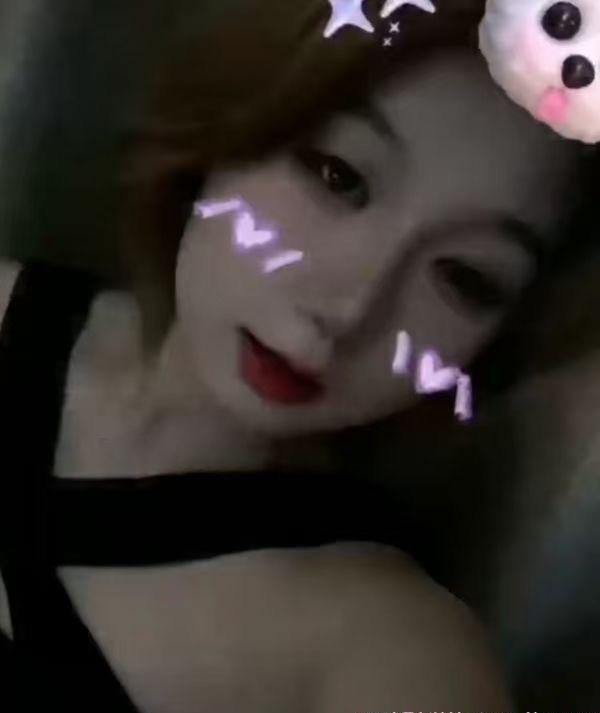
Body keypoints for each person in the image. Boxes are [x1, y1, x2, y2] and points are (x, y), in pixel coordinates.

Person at [0, 12, 591, 713]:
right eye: (338, 176)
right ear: (232, 120)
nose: (350, 311)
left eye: (467, 277)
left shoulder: (383, 643)